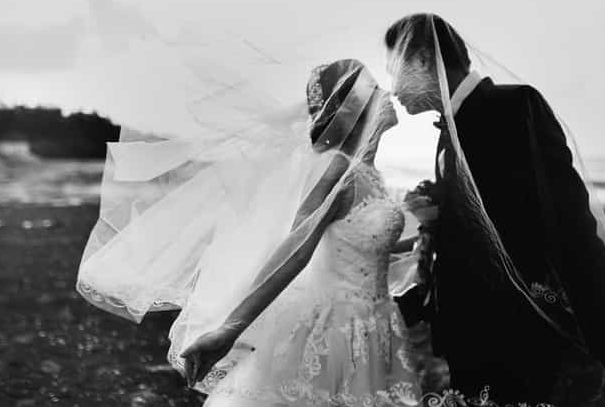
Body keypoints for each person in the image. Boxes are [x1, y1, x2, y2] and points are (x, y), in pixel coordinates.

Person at [78, 59, 422, 406]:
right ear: (351, 106)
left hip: (377, 322)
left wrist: (422, 240)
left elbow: (357, 248)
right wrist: (230, 329)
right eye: (374, 89)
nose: (386, 94)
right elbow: (295, 251)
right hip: (334, 328)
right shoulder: (335, 169)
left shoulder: (370, 173)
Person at [384, 12, 605, 406]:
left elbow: (571, 225)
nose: (393, 86)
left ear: (422, 61)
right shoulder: (448, 129)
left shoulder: (514, 107)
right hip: (470, 340)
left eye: (394, 69)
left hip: (522, 340)